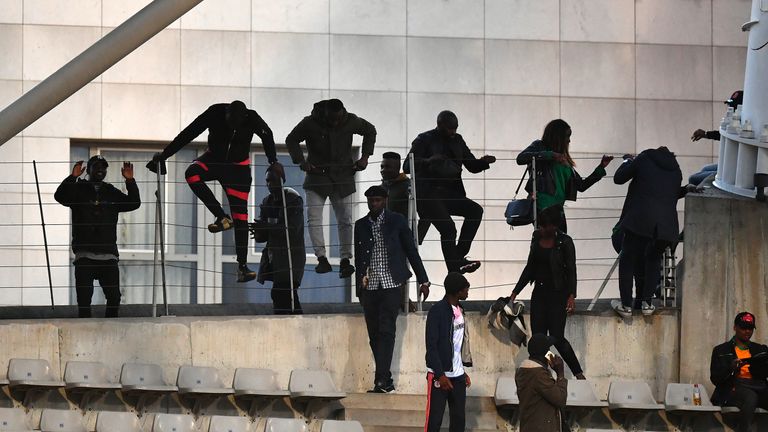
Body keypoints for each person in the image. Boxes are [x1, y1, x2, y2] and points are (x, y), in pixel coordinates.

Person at [148, 100, 283, 283]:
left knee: (241, 217)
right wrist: (164, 155)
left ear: (244, 118)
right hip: (213, 160)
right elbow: (189, 132)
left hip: (238, 169)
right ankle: (221, 217)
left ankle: (242, 267)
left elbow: (268, 135)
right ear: (226, 114)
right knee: (192, 174)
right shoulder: (215, 112)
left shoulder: (251, 117)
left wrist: (273, 161)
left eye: (237, 125)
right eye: (230, 123)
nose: (233, 127)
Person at [286, 99, 376, 278]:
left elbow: (370, 130)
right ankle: (321, 258)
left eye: (338, 119)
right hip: (317, 175)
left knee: (345, 219)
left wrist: (365, 157)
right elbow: (291, 139)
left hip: (343, 175)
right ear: (323, 114)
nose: (335, 123)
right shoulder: (309, 123)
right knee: (314, 218)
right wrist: (301, 161)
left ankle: (345, 260)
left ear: (342, 113)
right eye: (331, 120)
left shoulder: (351, 120)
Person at [355, 185, 430, 392]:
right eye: (371, 201)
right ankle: (385, 380)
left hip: (391, 283)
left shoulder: (396, 221)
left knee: (387, 330)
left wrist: (423, 279)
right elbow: (359, 257)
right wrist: (358, 290)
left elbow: (410, 250)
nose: (374, 204)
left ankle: (380, 380)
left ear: (385, 200)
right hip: (369, 285)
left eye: (378, 200)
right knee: (374, 334)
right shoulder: (360, 225)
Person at [404, 110, 495, 274]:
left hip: (450, 192)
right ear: (439, 125)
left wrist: (483, 162)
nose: (453, 132)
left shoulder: (458, 140)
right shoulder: (424, 139)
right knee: (448, 228)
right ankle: (455, 267)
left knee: (475, 211)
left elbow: (471, 165)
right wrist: (428, 161)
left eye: (455, 128)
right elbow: (406, 166)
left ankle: (458, 256)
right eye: (449, 128)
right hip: (428, 194)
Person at [611, 147, 696, 318]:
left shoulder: (643, 159)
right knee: (653, 259)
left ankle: (626, 305)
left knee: (627, 258)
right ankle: (647, 303)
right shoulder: (676, 170)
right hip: (666, 227)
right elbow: (668, 194)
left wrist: (628, 161)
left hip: (640, 221)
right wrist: (686, 189)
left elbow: (619, 179)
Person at [55, 156, 141, 318]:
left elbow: (133, 203)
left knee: (114, 298)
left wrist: (130, 181)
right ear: (89, 170)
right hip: (84, 255)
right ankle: (84, 329)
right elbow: (60, 196)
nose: (101, 170)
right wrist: (72, 177)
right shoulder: (78, 189)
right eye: (96, 166)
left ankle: (111, 328)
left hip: (108, 254)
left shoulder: (110, 191)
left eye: (104, 167)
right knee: (84, 300)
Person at [509, 206, 585, 379]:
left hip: (558, 294)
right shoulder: (536, 238)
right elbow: (530, 268)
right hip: (540, 294)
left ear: (554, 226)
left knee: (557, 337)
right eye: (540, 226)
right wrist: (515, 293)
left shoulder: (565, 242)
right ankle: (544, 372)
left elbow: (572, 269)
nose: (541, 230)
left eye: (544, 226)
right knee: (538, 341)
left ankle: (578, 373)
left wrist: (572, 295)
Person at [516, 118, 613, 232]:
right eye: (567, 136)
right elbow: (520, 158)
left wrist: (601, 168)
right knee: (549, 243)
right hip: (542, 207)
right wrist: (550, 155)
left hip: (558, 210)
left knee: (561, 244)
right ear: (558, 136)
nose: (569, 140)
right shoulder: (540, 146)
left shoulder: (564, 160)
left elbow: (581, 185)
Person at [249, 167, 305, 315]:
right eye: (267, 181)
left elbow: (292, 230)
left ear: (282, 180)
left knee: (284, 293)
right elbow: (263, 236)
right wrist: (258, 231)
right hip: (275, 257)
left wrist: (265, 226)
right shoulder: (267, 201)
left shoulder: (293, 199)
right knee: (281, 295)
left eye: (273, 180)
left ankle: (296, 327)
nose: (269, 184)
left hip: (291, 258)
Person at [424, 272, 473, 432]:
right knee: (434, 421)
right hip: (440, 376)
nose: (467, 292)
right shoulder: (437, 311)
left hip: (457, 376)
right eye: (465, 289)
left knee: (459, 421)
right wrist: (440, 374)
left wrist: (462, 370)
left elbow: (457, 345)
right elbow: (431, 346)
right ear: (457, 291)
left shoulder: (460, 310)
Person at [710, 312, 768, 432]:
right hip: (733, 388)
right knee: (750, 397)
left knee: (754, 394)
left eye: (750, 328)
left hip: (757, 385)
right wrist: (730, 368)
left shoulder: (761, 349)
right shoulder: (721, 350)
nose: (747, 331)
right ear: (735, 327)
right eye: (743, 328)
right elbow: (715, 378)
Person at [515, 333, 568, 432]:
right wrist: (560, 374)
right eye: (548, 350)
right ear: (546, 354)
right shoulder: (538, 374)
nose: (551, 353)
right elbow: (560, 399)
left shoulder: (523, 371)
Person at [689, 90, 743, 185]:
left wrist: (706, 134)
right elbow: (723, 135)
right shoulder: (737, 121)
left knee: (693, 179)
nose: (730, 108)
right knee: (705, 169)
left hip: (736, 170)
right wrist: (706, 134)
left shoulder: (743, 122)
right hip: (731, 165)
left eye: (733, 106)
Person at [379, 151, 411, 219]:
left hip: (403, 229)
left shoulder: (408, 187)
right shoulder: (380, 188)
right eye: (382, 167)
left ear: (397, 168)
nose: (383, 170)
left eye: (387, 167)